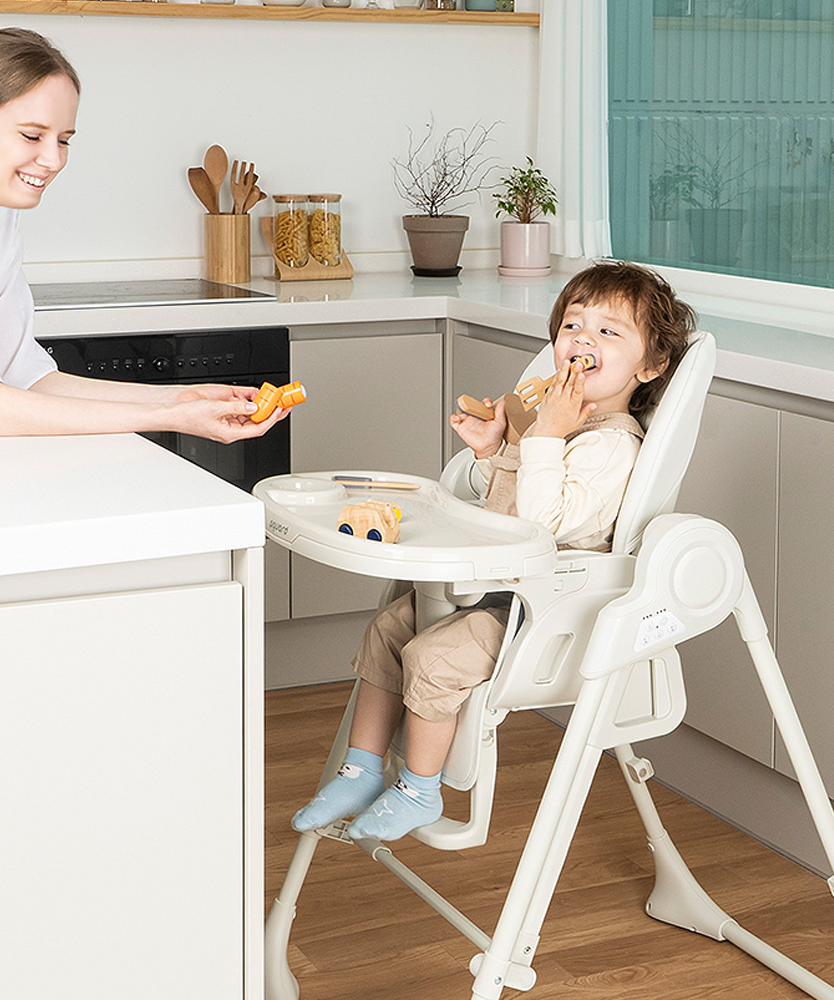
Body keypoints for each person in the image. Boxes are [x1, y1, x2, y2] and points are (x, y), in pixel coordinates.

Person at [291, 261, 697, 842]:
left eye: (609, 332)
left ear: (651, 365)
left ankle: (420, 790)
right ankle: (359, 769)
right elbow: (500, 513)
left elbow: (540, 524)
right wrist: (493, 453)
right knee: (388, 630)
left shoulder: (610, 447)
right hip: (499, 586)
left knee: (433, 657)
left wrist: (547, 436)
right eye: (573, 326)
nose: (584, 339)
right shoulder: (554, 429)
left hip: (548, 608)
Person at [0, 27, 284, 441]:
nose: (52, 160)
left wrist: (179, 399)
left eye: (64, 139)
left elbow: (24, 376)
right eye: (32, 136)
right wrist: (170, 420)